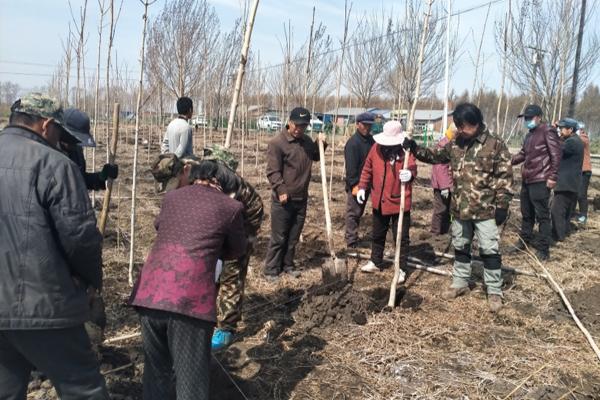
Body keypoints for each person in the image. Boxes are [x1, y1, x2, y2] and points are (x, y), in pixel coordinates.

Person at [0, 93, 109, 399]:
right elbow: (80, 237)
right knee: (83, 387)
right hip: (43, 302)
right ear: (46, 125)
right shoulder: (54, 164)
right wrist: (91, 281)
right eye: (59, 131)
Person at [130, 160, 247, 400]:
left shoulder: (172, 197)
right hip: (189, 302)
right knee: (191, 381)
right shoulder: (230, 207)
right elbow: (237, 250)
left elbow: (160, 227)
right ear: (222, 183)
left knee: (156, 373)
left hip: (150, 294)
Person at [403, 103, 513, 313]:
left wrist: (502, 205)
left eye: (464, 127)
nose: (461, 130)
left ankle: (494, 291)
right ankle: (460, 283)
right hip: (460, 208)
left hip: (485, 210)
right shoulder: (455, 143)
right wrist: (415, 148)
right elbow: (435, 156)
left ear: (476, 123)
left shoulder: (495, 144)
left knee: (489, 250)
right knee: (461, 246)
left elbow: (505, 177)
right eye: (458, 127)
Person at [201, 145, 264, 351]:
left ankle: (226, 327)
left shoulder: (236, 188)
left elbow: (256, 210)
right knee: (210, 276)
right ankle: (205, 316)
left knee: (231, 277)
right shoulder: (203, 178)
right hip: (214, 233)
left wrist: (248, 237)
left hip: (239, 234)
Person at [264, 107, 326, 280]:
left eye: (304, 126)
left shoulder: (305, 141)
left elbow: (315, 156)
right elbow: (272, 171)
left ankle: (287, 265)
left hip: (301, 197)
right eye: (297, 125)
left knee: (293, 236)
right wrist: (281, 190)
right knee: (279, 236)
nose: (299, 129)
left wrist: (321, 144)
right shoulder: (277, 143)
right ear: (289, 122)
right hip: (283, 199)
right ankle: (271, 269)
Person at [356, 120, 417, 276]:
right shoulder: (376, 148)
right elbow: (367, 169)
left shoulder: (405, 151)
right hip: (379, 200)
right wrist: (362, 187)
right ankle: (375, 261)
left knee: (401, 238)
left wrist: (410, 174)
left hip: (399, 201)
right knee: (377, 233)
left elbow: (412, 166)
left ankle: (401, 268)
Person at [510, 104, 561, 260]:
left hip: (540, 179)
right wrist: (508, 161)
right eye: (525, 118)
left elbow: (556, 155)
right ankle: (524, 241)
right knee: (526, 213)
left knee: (542, 215)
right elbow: (523, 154)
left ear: (538, 117)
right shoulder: (530, 135)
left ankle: (543, 249)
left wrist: (552, 177)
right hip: (527, 179)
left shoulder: (547, 131)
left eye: (529, 118)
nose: (527, 121)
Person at [60, 108, 119, 191]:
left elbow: (80, 180)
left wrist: (101, 177)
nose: (76, 143)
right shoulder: (48, 154)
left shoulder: (76, 150)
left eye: (79, 140)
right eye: (73, 139)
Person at [344, 112, 376, 254]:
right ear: (358, 124)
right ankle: (351, 240)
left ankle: (353, 237)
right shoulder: (352, 143)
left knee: (360, 211)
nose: (367, 128)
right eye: (365, 125)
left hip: (369, 183)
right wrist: (354, 185)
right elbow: (350, 168)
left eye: (369, 125)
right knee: (354, 212)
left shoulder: (372, 141)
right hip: (357, 184)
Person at [551, 118, 584, 242]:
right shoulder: (575, 140)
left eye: (562, 129)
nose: (560, 131)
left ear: (570, 129)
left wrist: (552, 133)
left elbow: (557, 148)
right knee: (566, 212)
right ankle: (564, 232)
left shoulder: (572, 142)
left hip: (566, 184)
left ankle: (558, 237)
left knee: (556, 211)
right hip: (572, 183)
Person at [430, 123, 456, 235]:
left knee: (450, 209)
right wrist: (444, 187)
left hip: (451, 184)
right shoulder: (444, 145)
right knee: (440, 209)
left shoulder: (453, 144)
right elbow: (440, 168)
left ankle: (446, 231)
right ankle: (435, 232)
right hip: (442, 186)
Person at [574, 123, 592, 224]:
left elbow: (578, 142)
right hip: (577, 170)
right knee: (574, 193)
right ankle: (572, 212)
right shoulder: (576, 138)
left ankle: (583, 215)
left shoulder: (583, 138)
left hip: (585, 171)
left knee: (581, 194)